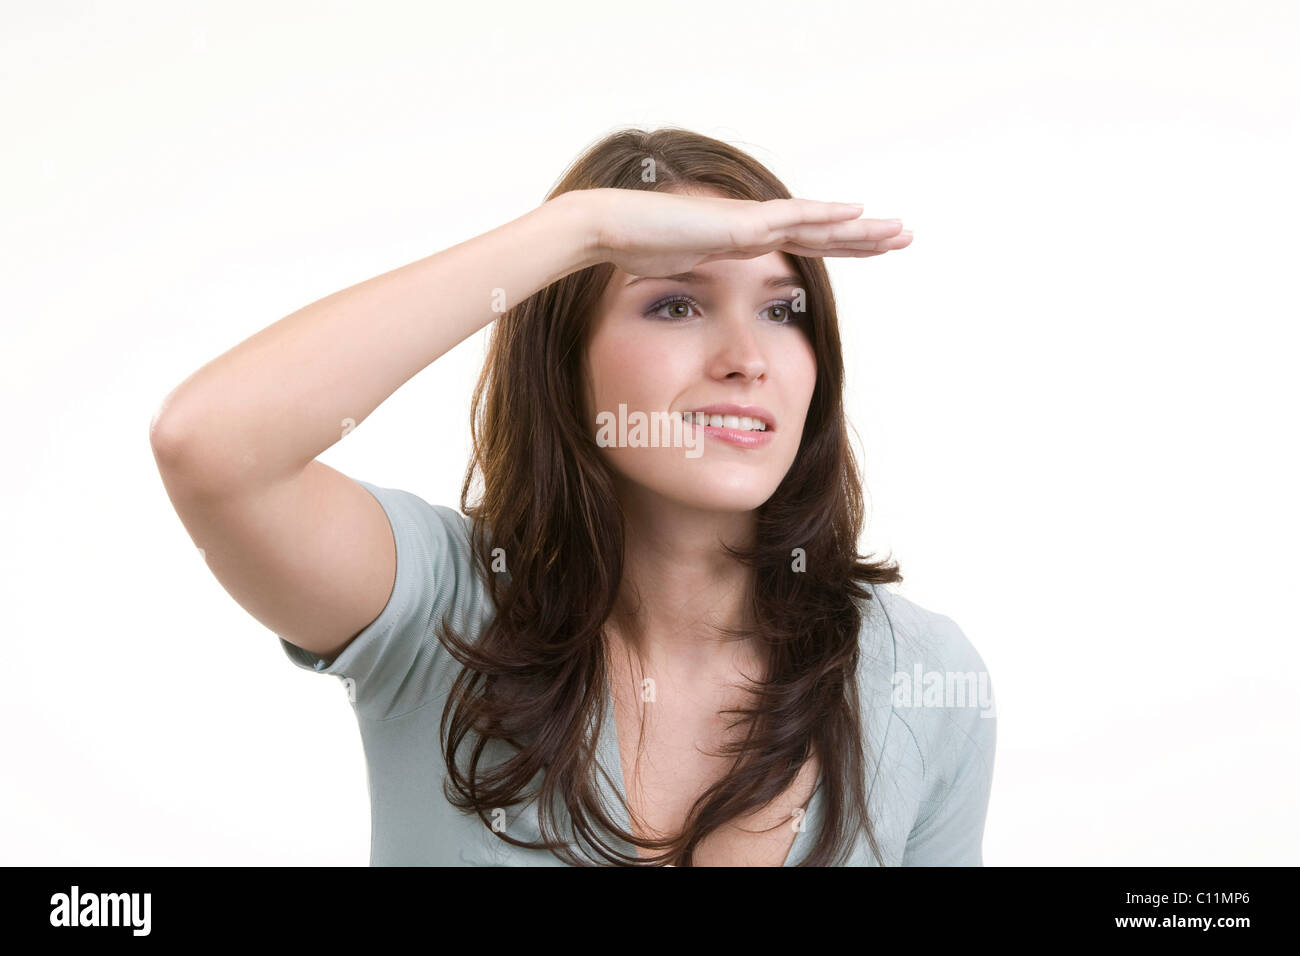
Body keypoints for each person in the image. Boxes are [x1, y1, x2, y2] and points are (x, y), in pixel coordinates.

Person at [150, 126, 995, 866]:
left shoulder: (921, 675)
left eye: (782, 310)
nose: (749, 358)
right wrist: (582, 228)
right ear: (564, 361)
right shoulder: (436, 606)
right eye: (675, 304)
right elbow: (213, 445)